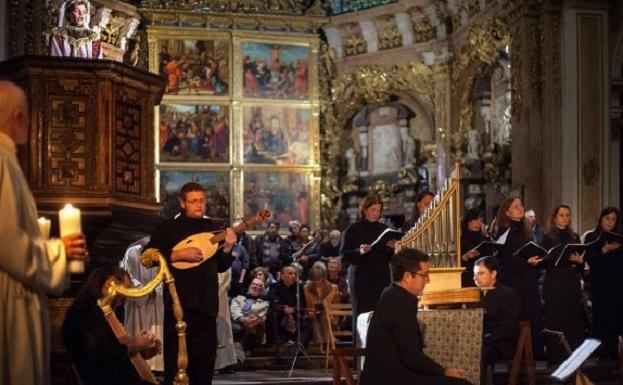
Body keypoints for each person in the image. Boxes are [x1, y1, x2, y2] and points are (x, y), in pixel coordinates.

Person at [0, 80, 88, 385]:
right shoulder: (0, 161)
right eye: (25, 111)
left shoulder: (7, 159)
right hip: (9, 296)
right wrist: (58, 250)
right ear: (17, 116)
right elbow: (6, 243)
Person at [144, 181, 236, 385]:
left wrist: (228, 249)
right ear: (182, 203)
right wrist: (176, 254)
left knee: (204, 369)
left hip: (207, 308)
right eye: (193, 201)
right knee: (177, 367)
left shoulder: (212, 228)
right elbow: (147, 258)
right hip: (179, 310)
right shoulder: (167, 229)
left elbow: (220, 266)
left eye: (202, 201)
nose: (199, 205)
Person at [359, 248, 470, 385]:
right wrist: (444, 371)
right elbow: (412, 357)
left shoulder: (392, 294)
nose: (428, 280)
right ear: (407, 277)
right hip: (391, 378)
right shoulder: (400, 303)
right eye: (424, 275)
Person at [63, 266, 161, 385]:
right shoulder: (84, 312)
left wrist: (142, 350)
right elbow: (100, 356)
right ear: (109, 285)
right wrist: (135, 345)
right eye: (125, 291)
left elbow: (112, 349)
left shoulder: (103, 312)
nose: (126, 298)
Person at [491, 197, 544, 359]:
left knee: (533, 316)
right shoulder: (503, 231)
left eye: (521, 205)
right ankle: (517, 357)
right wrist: (524, 261)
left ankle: (534, 355)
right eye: (515, 206)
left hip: (528, 279)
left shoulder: (525, 230)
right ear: (507, 212)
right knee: (518, 319)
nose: (520, 208)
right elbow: (505, 258)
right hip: (514, 282)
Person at [340, 194, 395, 339]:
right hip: (361, 279)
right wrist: (359, 251)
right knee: (361, 315)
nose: (376, 214)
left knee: (381, 315)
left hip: (382, 278)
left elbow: (391, 257)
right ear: (364, 210)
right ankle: (360, 356)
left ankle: (379, 354)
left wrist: (395, 248)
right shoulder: (352, 230)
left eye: (378, 211)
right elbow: (344, 255)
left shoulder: (385, 230)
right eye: (373, 210)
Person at [540, 205, 586, 364]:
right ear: (555, 218)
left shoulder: (574, 236)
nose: (565, 218)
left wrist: (580, 261)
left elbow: (581, 263)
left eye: (567, 215)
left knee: (572, 318)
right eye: (561, 215)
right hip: (554, 281)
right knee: (556, 318)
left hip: (571, 281)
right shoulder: (547, 237)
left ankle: (573, 356)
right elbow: (542, 262)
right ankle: (556, 357)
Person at [119, 236, 164, 372]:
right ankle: (139, 366)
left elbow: (165, 274)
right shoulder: (131, 253)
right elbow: (127, 276)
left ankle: (158, 366)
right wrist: (144, 290)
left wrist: (156, 290)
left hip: (157, 299)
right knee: (137, 329)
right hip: (137, 301)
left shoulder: (162, 253)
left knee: (158, 331)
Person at [583, 206, 622, 360]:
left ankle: (615, 354)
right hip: (599, 286)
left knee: (616, 319)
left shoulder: (619, 237)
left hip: (617, 286)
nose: (610, 222)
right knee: (600, 320)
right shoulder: (592, 237)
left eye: (613, 219)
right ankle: (601, 354)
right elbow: (590, 260)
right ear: (601, 219)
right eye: (607, 218)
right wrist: (604, 250)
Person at [473, 256, 519, 368]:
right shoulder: (472, 294)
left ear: (493, 274)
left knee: (475, 355)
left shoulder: (507, 293)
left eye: (481, 273)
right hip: (478, 341)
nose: (475, 278)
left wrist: (485, 339)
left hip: (499, 344)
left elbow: (509, 327)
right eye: (474, 274)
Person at [266, 265, 310, 345]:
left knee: (307, 326)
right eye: (290, 273)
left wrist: (293, 309)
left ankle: (298, 348)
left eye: (295, 274)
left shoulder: (299, 287)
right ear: (282, 276)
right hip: (280, 316)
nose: (293, 276)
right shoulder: (274, 286)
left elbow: (303, 303)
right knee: (272, 317)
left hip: (295, 315)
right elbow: (272, 300)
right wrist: (283, 308)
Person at [303, 262, 340, 347]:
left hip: (331, 315)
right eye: (313, 280)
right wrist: (310, 311)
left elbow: (337, 306)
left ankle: (324, 344)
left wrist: (327, 311)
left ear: (323, 277)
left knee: (324, 316)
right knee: (312, 316)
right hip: (313, 314)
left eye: (318, 280)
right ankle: (321, 343)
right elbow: (307, 305)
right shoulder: (306, 288)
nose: (316, 282)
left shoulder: (333, 288)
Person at [230, 278, 269, 356]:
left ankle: (239, 354)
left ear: (262, 290)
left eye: (259, 286)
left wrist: (251, 321)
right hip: (237, 322)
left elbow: (262, 316)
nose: (256, 286)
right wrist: (242, 319)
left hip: (253, 325)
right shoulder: (239, 298)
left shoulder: (265, 303)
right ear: (249, 286)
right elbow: (234, 310)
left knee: (251, 328)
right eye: (254, 284)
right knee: (239, 327)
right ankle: (245, 350)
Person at [214, 269, 237, 373]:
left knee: (222, 332)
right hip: (205, 297)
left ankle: (223, 363)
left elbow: (224, 280)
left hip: (219, 298)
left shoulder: (223, 264)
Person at [460, 209, 489, 287]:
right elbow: (456, 261)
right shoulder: (460, 240)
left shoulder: (485, 239)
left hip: (485, 275)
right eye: (475, 220)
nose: (478, 223)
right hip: (468, 276)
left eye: (481, 220)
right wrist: (466, 256)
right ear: (468, 221)